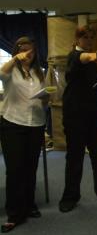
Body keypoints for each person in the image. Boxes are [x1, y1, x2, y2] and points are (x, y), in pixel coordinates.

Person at [58, 25, 97, 213]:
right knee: (75, 157)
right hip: (75, 116)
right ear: (77, 40)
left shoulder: (91, 61)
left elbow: (88, 84)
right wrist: (92, 55)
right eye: (86, 38)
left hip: (92, 114)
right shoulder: (75, 56)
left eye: (92, 38)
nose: (90, 41)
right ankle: (70, 197)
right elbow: (82, 58)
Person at [0, 37, 48, 233]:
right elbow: (1, 73)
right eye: (24, 51)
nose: (28, 55)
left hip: (35, 124)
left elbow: (44, 101)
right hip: (13, 124)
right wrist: (16, 59)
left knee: (30, 167)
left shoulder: (38, 73)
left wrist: (46, 98)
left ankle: (29, 205)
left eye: (31, 52)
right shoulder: (11, 71)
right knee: (15, 169)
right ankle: (14, 212)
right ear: (17, 52)